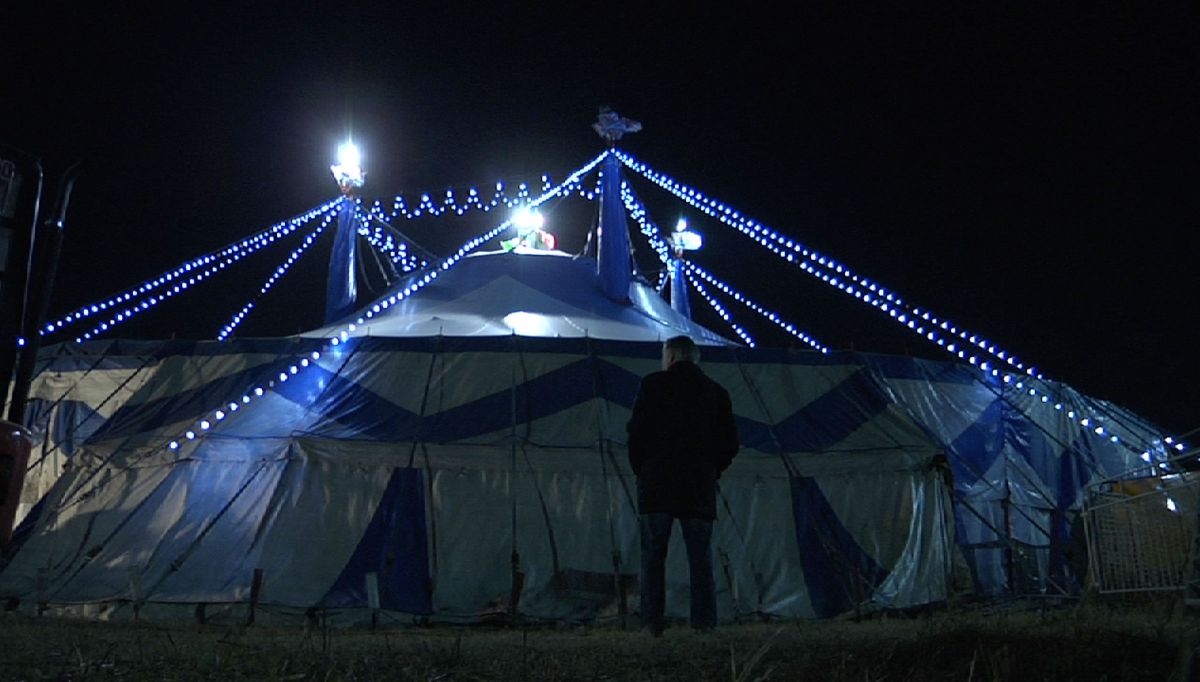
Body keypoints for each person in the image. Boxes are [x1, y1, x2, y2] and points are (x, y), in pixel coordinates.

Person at [626, 335, 739, 635]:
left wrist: (642, 469)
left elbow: (637, 432)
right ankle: (703, 622)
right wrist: (712, 468)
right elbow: (730, 442)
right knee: (700, 557)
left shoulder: (653, 385)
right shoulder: (715, 392)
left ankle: (652, 623)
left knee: (653, 555)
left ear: (671, 356)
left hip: (657, 480)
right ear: (694, 357)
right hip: (697, 482)